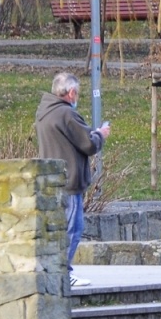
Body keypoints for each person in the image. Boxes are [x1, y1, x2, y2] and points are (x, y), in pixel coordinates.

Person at [34, 72, 111, 284]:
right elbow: (88, 144)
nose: (77, 96)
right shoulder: (66, 114)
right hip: (70, 182)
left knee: (59, 230)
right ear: (71, 92)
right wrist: (100, 134)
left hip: (53, 180)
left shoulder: (45, 112)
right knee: (72, 229)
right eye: (77, 93)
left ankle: (57, 272)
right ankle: (63, 274)